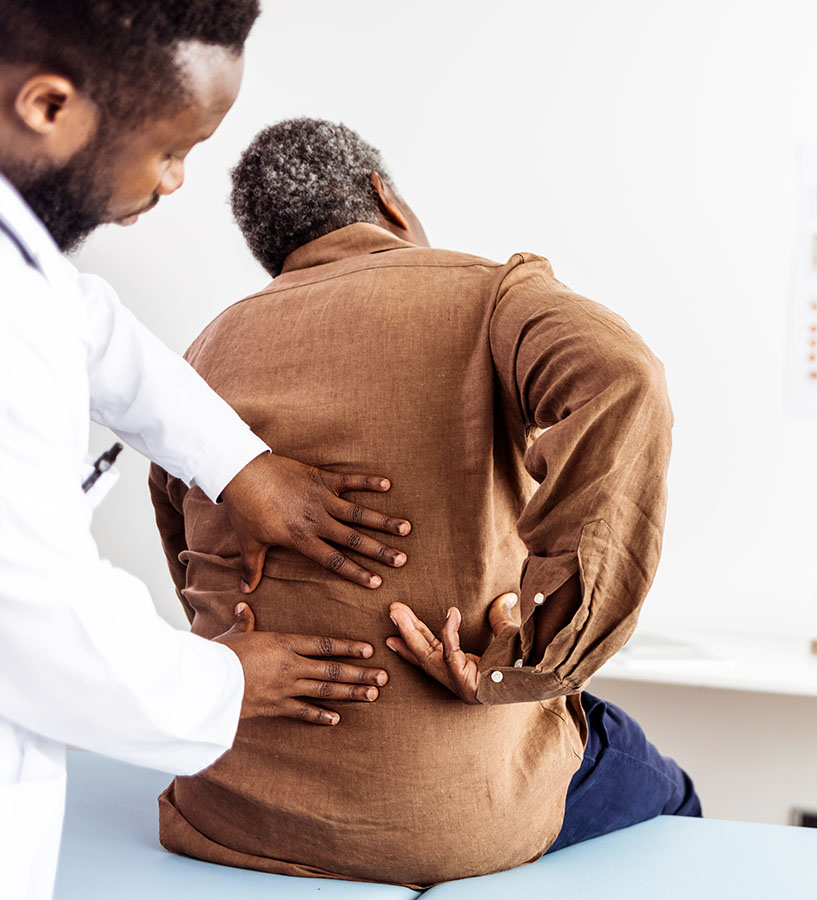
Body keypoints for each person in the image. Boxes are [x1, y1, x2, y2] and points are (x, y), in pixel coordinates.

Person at [148, 118, 699, 887]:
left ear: (275, 253)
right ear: (387, 199)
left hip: (225, 809)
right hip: (448, 823)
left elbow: (192, 576)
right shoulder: (487, 296)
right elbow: (623, 377)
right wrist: (532, 659)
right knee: (672, 793)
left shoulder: (200, 356)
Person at [0, 6, 413, 898]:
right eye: (174, 149)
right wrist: (223, 682)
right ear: (49, 106)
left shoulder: (19, 277)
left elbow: (87, 326)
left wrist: (240, 466)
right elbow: (38, 623)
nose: (176, 182)